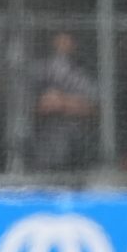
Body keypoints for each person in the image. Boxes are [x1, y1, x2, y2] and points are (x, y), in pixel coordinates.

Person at [32, 31, 100, 172]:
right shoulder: (38, 70)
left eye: (67, 42)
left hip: (79, 149)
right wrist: (46, 103)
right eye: (59, 43)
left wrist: (63, 102)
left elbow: (94, 107)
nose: (63, 47)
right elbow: (30, 105)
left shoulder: (83, 73)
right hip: (44, 151)